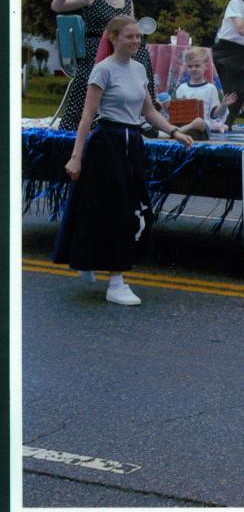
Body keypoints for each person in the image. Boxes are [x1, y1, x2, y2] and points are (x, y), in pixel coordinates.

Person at [52, 15, 195, 305]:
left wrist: (174, 131)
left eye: (138, 36)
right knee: (111, 211)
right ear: (114, 38)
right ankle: (116, 282)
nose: (136, 41)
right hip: (107, 144)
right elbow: (87, 117)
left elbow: (149, 111)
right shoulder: (102, 70)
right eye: (130, 36)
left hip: (133, 144)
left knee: (132, 209)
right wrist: (76, 157)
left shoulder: (139, 69)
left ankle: (92, 261)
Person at [50, 0, 159, 131]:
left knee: (141, 52)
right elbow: (57, 6)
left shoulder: (127, 1)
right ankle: (86, 121)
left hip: (120, 48)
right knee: (94, 73)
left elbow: (131, 28)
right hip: (94, 48)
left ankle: (143, 114)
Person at [171, 47, 236, 137]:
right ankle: (178, 131)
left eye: (197, 66)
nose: (193, 69)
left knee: (198, 122)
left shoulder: (210, 88)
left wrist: (223, 105)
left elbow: (214, 114)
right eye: (190, 66)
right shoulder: (181, 88)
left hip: (202, 126)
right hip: (184, 124)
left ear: (205, 66)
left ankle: (176, 132)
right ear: (186, 68)